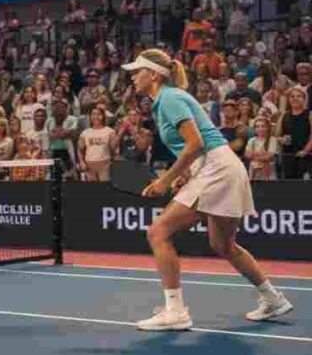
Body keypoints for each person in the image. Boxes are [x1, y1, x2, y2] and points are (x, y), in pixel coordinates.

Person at [122, 50, 292, 330]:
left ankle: (175, 311)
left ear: (153, 74)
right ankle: (272, 298)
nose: (132, 76)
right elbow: (194, 149)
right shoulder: (163, 101)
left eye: (137, 70)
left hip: (217, 167)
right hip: (220, 165)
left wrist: (166, 180)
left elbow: (196, 143)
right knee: (222, 244)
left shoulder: (170, 98)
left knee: (158, 231)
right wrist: (185, 175)